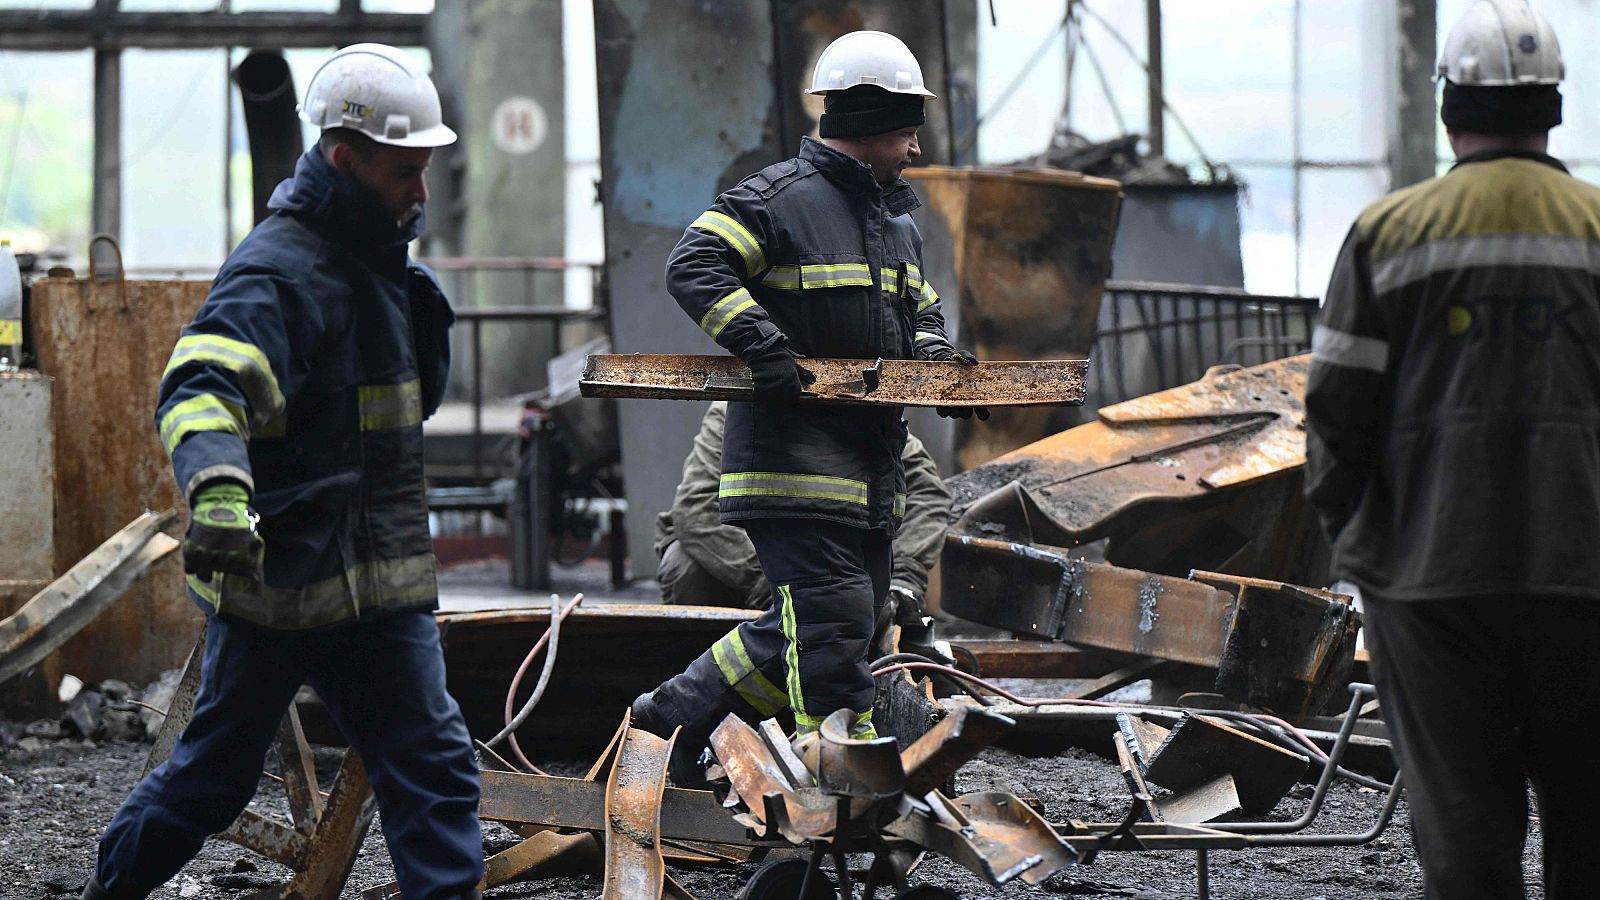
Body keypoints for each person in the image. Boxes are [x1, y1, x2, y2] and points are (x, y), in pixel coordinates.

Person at [82, 45, 483, 900]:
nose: (421, 193)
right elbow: (201, 387)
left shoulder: (382, 266)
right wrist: (219, 492)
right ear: (347, 159)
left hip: (382, 594)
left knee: (436, 776)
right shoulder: (279, 271)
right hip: (286, 589)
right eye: (406, 173)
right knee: (212, 782)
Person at [1304, 2, 1600, 897]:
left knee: (1467, 840)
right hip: (1585, 584)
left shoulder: (1390, 234)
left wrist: (1362, 544)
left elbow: (1336, 419)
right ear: (1552, 106)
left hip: (1431, 587)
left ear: (1448, 106)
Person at [630, 30, 978, 783]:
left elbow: (920, 310)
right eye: (909, 127)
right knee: (833, 636)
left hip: (867, 473)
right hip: (793, 472)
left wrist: (938, 372)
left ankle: (670, 717)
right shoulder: (779, 201)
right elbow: (694, 263)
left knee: (833, 632)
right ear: (872, 116)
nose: (916, 149)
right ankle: (833, 783)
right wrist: (763, 346)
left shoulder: (895, 221)